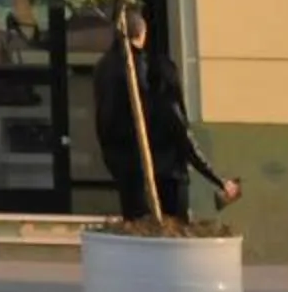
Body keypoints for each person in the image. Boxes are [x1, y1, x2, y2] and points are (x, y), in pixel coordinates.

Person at [91, 11, 240, 224]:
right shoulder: (155, 78)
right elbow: (182, 137)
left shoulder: (103, 69)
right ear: (142, 33)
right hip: (167, 174)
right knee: (171, 235)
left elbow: (103, 123)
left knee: (137, 230)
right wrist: (218, 180)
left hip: (126, 169)